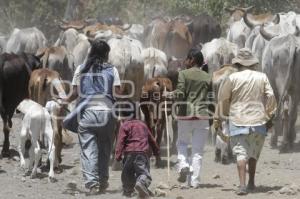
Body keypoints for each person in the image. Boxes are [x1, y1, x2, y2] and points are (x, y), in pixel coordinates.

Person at [213, 48, 277, 195]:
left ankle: (242, 185)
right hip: (259, 121)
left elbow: (223, 100)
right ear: (252, 63)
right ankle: (252, 182)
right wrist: (269, 116)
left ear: (238, 64)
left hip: (238, 120)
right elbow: (271, 96)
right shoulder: (262, 77)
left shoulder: (232, 78)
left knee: (241, 153)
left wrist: (218, 118)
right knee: (253, 153)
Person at [63, 38, 121, 195]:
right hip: (108, 115)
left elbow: (74, 94)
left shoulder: (81, 69)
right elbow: (117, 94)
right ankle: (103, 182)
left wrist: (63, 101)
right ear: (106, 54)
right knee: (105, 148)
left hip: (88, 114)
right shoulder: (113, 70)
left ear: (91, 52)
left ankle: (92, 183)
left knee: (88, 149)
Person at [173, 47, 212, 188]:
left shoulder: (183, 74)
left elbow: (180, 93)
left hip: (185, 116)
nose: (184, 61)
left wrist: (168, 95)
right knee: (198, 151)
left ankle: (183, 165)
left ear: (192, 60)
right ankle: (194, 182)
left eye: (187, 59)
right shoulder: (208, 76)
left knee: (182, 144)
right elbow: (211, 98)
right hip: (203, 116)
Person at [115, 103, 160, 197]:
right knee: (143, 172)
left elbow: (120, 142)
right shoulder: (143, 125)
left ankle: (128, 190)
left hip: (128, 153)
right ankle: (141, 183)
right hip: (142, 153)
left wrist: (118, 155)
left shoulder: (124, 126)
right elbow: (151, 139)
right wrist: (156, 151)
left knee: (127, 173)